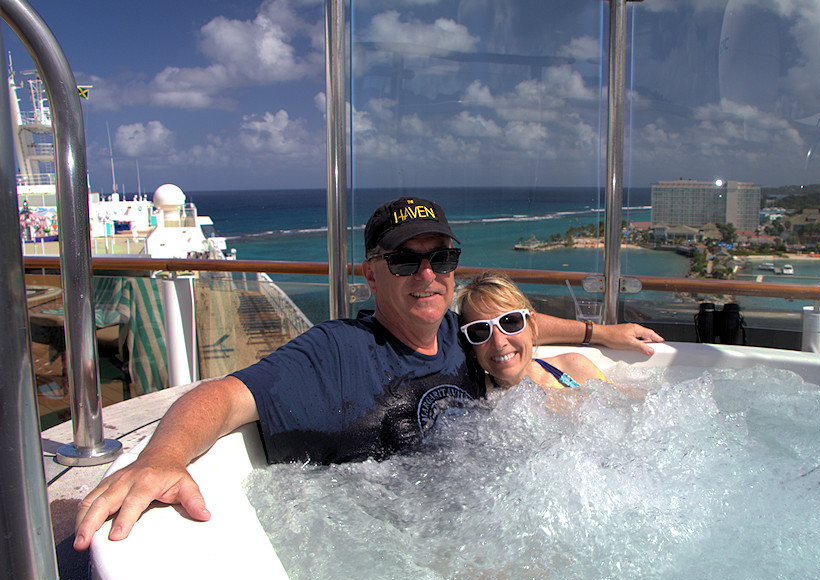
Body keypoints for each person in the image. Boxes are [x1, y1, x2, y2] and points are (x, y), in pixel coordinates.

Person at [73, 196, 663, 551]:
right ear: (371, 274)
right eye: (406, 260)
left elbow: (517, 325)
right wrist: (162, 459)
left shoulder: (466, 336)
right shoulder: (339, 350)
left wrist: (602, 334)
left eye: (442, 258)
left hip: (496, 513)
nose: (427, 274)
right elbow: (225, 397)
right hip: (405, 541)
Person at [455, 271, 607, 389]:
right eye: (480, 331)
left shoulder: (574, 367)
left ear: (532, 324)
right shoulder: (475, 399)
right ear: (471, 347)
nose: (499, 342)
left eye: (510, 323)